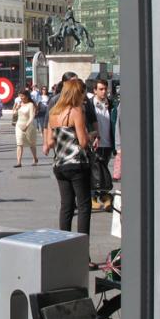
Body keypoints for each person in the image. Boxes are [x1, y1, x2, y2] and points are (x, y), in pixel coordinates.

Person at [43, 78, 92, 237]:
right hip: (76, 163)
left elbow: (50, 141)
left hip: (59, 165)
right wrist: (90, 135)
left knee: (66, 206)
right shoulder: (76, 111)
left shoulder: (53, 113)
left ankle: (64, 246)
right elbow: (83, 142)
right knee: (84, 206)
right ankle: (83, 252)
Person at [91, 78, 115, 208]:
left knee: (103, 171)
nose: (104, 91)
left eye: (105, 89)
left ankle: (101, 195)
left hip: (108, 144)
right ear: (95, 90)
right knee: (95, 171)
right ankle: (96, 196)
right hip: (94, 144)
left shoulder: (111, 104)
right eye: (101, 89)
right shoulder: (90, 104)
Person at [13, 90, 39, 167]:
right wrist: (16, 108)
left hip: (29, 127)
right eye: (20, 96)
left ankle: (35, 158)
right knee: (19, 144)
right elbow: (14, 114)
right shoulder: (19, 104)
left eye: (22, 96)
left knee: (32, 144)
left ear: (27, 96)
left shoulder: (31, 104)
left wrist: (27, 125)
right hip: (19, 126)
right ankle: (19, 162)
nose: (21, 98)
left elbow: (32, 116)